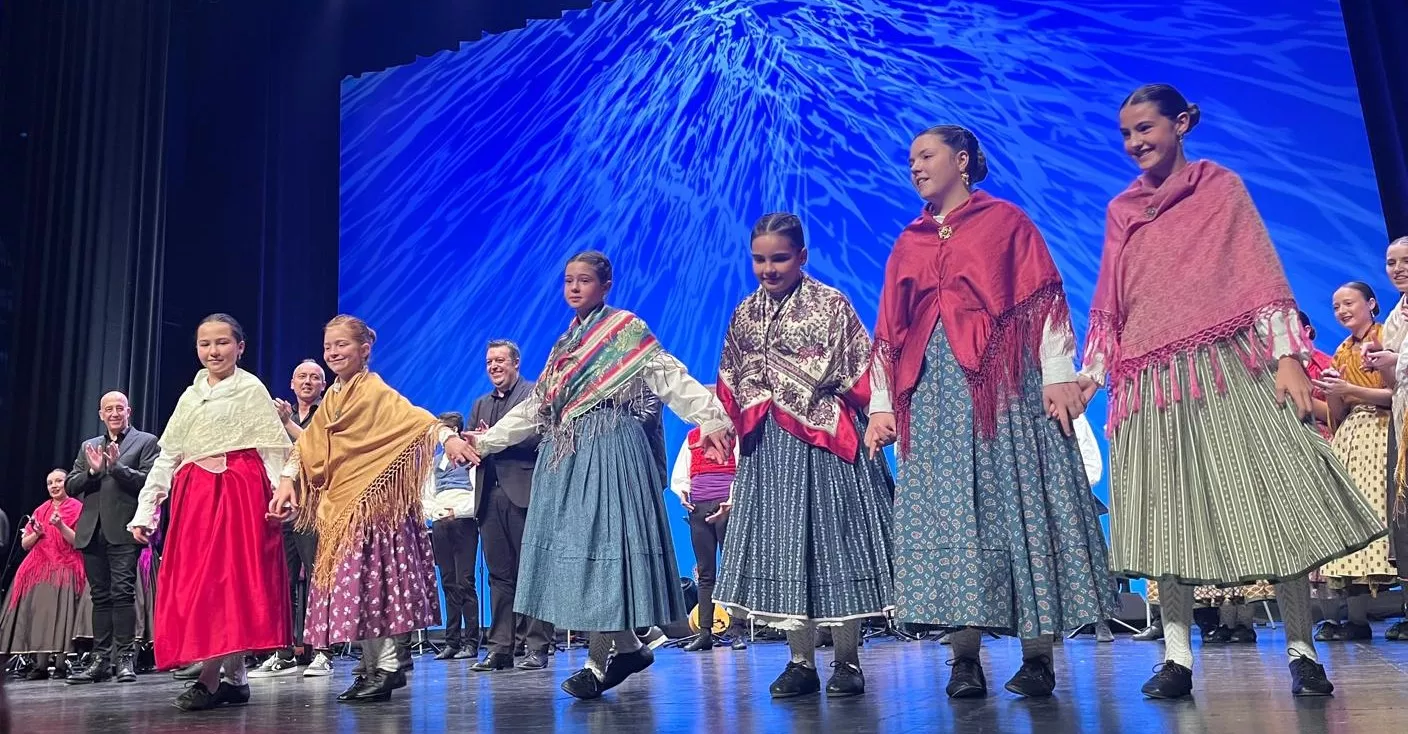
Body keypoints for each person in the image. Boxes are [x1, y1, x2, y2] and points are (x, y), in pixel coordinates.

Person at [1078, 83, 1382, 699]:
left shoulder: (1221, 188)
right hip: (1153, 376)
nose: (1136, 142)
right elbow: (1110, 299)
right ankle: (1176, 657)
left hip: (1228, 363)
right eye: (1127, 133)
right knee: (1168, 510)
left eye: (1147, 128)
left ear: (1182, 123)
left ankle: (1301, 649)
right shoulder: (1122, 210)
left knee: (1274, 498)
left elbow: (1258, 274)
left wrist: (1288, 358)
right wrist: (1091, 374)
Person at [868, 124, 1118, 699]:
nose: (915, 166)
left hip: (1001, 387)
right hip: (933, 395)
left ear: (961, 160)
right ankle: (964, 658)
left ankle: (1037, 655)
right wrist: (883, 406)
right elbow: (889, 330)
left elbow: (1042, 298)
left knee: (1016, 504)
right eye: (910, 159)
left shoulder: (1006, 223)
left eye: (925, 155)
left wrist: (1058, 376)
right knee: (948, 516)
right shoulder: (908, 241)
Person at [462, 251, 732, 701]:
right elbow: (537, 408)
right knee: (575, 557)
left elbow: (668, 376)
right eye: (568, 280)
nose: (573, 288)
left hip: (609, 451)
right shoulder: (566, 343)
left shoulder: (625, 329)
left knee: (604, 551)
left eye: (583, 280)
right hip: (567, 458)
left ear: (605, 286)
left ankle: (613, 652)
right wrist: (485, 442)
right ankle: (625, 647)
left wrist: (711, 416)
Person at [712, 213, 894, 698]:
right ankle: (799, 661)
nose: (768, 269)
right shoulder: (745, 313)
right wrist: (722, 427)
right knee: (786, 546)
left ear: (802, 257)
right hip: (770, 448)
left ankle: (848, 661)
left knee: (835, 544)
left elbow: (864, 367)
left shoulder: (830, 304)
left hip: (825, 441)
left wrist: (879, 414)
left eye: (779, 258)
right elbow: (732, 377)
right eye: (759, 259)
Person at [270, 314, 475, 704]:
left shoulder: (375, 392)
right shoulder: (331, 400)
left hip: (374, 512)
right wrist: (285, 482)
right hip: (341, 508)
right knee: (354, 591)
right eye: (328, 345)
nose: (333, 352)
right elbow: (308, 445)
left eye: (342, 345)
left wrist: (447, 437)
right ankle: (369, 668)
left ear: (364, 350)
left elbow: (417, 420)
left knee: (375, 588)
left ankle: (388, 667)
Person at [127, 314, 293, 711]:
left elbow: (273, 448)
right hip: (195, 497)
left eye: (222, 342)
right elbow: (169, 456)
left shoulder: (250, 388)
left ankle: (210, 678)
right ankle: (235, 677)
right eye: (205, 344)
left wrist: (281, 491)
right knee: (199, 582)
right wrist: (146, 510)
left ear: (240, 346)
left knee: (227, 580)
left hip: (238, 492)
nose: (213, 351)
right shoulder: (191, 394)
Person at [1311, 283, 1397, 641]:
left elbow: (1397, 394)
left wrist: (1352, 391)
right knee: (1356, 525)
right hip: (1352, 439)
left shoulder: (1386, 337)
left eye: (1349, 303)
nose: (1342, 310)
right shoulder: (1342, 352)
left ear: (1371, 304)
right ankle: (1356, 619)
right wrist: (1335, 393)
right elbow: (1336, 416)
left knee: (1389, 522)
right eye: (1336, 306)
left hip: (1383, 434)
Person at [467, 340, 555, 672]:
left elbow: (545, 437)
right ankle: (500, 647)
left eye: (500, 360)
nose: (494, 366)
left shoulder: (534, 395)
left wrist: (499, 437)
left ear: (515, 363)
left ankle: (537, 646)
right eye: (489, 361)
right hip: (489, 495)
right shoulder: (480, 404)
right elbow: (473, 446)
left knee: (532, 572)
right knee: (498, 576)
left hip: (525, 493)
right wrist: (475, 441)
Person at [64, 391, 159, 685]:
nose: (115, 413)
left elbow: (150, 481)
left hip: (125, 529)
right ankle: (101, 659)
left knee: (122, 593)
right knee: (100, 597)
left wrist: (118, 469)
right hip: (92, 531)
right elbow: (70, 485)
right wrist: (93, 472)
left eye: (120, 408)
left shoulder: (145, 442)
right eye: (109, 409)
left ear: (129, 411)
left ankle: (125, 658)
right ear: (101, 414)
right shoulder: (89, 446)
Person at [249, 359, 334, 679]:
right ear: (291, 384)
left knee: (317, 579)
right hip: (282, 507)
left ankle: (322, 651)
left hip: (315, 508)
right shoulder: (276, 419)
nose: (308, 381)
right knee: (280, 581)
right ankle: (282, 650)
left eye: (315, 377)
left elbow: (319, 452)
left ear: (323, 386)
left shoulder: (328, 413)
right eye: (302, 377)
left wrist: (287, 424)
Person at [668, 399, 748, 653]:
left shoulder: (732, 436)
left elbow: (741, 470)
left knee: (733, 569)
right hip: (699, 508)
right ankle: (705, 632)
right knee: (705, 572)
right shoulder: (692, 438)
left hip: (727, 507)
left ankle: (737, 631)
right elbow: (682, 474)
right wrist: (683, 494)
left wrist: (732, 500)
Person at [0, 470, 85, 680]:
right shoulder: (40, 509)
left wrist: (59, 525)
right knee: (40, 616)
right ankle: (40, 665)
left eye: (58, 481)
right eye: (49, 483)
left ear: (68, 483)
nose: (54, 486)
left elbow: (78, 541)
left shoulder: (77, 507)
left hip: (66, 565)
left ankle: (61, 664)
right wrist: (37, 533)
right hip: (38, 568)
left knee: (61, 616)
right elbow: (24, 544)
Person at [427, 411, 481, 662]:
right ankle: (451, 642)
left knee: (465, 582)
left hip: (463, 522)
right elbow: (426, 496)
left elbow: (476, 495)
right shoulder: (435, 464)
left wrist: (456, 511)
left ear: (456, 432)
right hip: (440, 523)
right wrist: (438, 513)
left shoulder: (469, 460)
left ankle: (471, 642)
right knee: (448, 582)